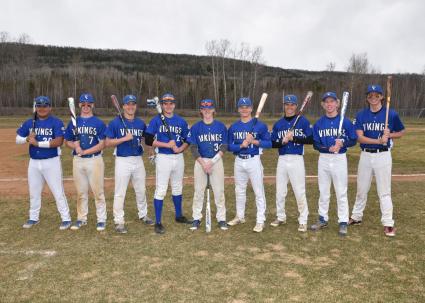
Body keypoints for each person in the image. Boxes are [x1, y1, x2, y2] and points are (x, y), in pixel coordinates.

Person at [349, 84, 405, 237]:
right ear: (367, 98)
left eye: (376, 95)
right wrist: (378, 140)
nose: (373, 98)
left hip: (383, 156)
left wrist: (390, 135)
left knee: (384, 191)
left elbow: (401, 132)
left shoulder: (391, 114)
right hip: (366, 155)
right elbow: (359, 137)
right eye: (370, 95)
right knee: (361, 188)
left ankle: (388, 223)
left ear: (381, 96)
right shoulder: (361, 115)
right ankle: (356, 216)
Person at [16, 96, 72, 230]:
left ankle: (66, 218)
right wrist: (27, 139)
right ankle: (33, 218)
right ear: (36, 108)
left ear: (50, 107)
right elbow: (18, 139)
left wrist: (38, 143)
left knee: (58, 192)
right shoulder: (30, 122)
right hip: (34, 162)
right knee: (34, 192)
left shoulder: (56, 122)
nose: (42, 108)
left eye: (45, 106)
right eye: (39, 106)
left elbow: (58, 142)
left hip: (51, 162)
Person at [105, 94, 153, 234]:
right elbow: (108, 142)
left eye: (133, 104)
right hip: (122, 160)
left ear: (135, 106)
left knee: (141, 190)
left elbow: (145, 139)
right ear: (124, 106)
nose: (130, 107)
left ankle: (143, 215)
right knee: (120, 192)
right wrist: (123, 138)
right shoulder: (116, 122)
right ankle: (119, 221)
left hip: (137, 159)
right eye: (128, 104)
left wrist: (150, 150)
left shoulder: (140, 123)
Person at [311, 92, 357, 236]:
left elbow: (354, 139)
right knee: (323, 190)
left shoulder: (346, 122)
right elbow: (316, 144)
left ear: (337, 103)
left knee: (341, 191)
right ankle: (322, 218)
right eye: (326, 102)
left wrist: (343, 142)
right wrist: (327, 148)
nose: (329, 104)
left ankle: (343, 221)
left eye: (332, 101)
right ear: (323, 105)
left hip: (339, 159)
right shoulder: (319, 123)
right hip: (324, 158)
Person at [144, 93, 191, 234]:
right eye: (165, 103)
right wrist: (166, 144)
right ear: (162, 105)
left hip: (178, 158)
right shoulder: (156, 120)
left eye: (171, 103)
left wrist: (180, 148)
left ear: (174, 105)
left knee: (177, 187)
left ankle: (179, 215)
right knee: (161, 189)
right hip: (163, 157)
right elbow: (148, 140)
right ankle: (158, 222)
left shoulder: (181, 121)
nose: (168, 106)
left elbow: (188, 139)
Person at [227, 97, 272, 233]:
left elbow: (269, 144)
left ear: (252, 109)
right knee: (239, 190)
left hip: (254, 160)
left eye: (247, 107)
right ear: (239, 109)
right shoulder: (234, 127)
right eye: (242, 107)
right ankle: (240, 216)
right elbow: (229, 146)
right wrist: (241, 145)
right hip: (239, 160)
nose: (244, 109)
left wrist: (255, 141)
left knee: (259, 191)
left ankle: (260, 220)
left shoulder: (260, 126)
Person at [64, 93, 107, 231]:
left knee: (98, 192)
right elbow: (67, 141)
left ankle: (101, 219)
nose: (86, 106)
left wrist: (86, 152)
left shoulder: (99, 122)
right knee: (81, 192)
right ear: (79, 105)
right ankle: (82, 218)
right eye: (83, 104)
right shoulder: (73, 122)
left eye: (89, 104)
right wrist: (75, 147)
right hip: (78, 161)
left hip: (94, 160)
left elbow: (102, 144)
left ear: (93, 105)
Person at [270, 94, 313, 232]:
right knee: (280, 191)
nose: (289, 107)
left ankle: (303, 219)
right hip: (282, 160)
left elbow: (310, 139)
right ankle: (280, 216)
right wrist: (281, 141)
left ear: (296, 106)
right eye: (287, 104)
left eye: (292, 104)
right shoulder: (278, 124)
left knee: (299, 190)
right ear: (284, 106)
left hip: (296, 159)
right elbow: (272, 142)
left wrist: (294, 137)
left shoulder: (303, 121)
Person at [187, 99, 228, 231]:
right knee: (198, 191)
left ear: (213, 110)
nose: (207, 111)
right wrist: (203, 163)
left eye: (209, 108)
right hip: (200, 161)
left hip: (216, 161)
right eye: (204, 109)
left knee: (219, 191)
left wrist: (212, 161)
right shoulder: (196, 127)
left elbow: (224, 146)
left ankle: (221, 218)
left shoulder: (221, 126)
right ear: (201, 111)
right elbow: (193, 148)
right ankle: (196, 218)